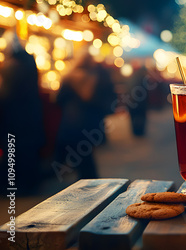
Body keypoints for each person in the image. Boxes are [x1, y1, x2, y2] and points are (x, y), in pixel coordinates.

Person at [54, 51, 116, 179]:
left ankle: (71, 176)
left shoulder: (69, 76)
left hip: (71, 120)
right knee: (85, 155)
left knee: (73, 152)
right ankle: (88, 181)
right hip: (89, 122)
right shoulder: (96, 77)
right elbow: (104, 99)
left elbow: (58, 99)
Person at [0, 30, 45, 194]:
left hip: (15, 118)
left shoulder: (12, 66)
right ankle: (29, 183)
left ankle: (13, 186)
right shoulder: (28, 61)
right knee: (27, 152)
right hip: (30, 116)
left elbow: (5, 94)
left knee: (14, 150)